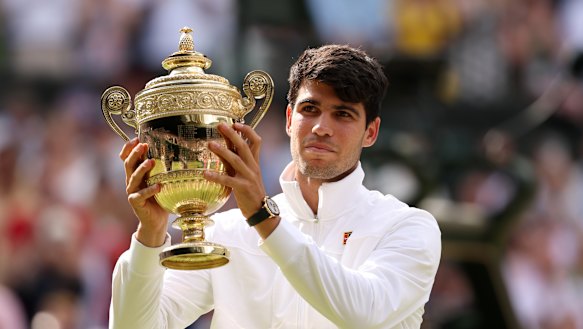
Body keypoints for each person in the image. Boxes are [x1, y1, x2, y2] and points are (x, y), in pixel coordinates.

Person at [109, 44, 442, 329]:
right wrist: (150, 236)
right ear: (288, 120)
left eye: (343, 114)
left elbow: (363, 312)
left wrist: (262, 216)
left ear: (371, 132)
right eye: (309, 110)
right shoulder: (226, 232)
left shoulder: (407, 227)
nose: (322, 127)